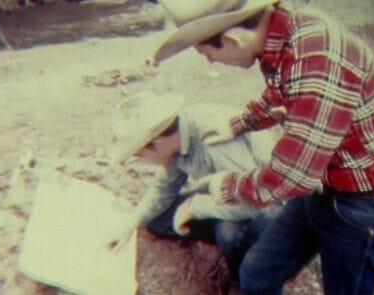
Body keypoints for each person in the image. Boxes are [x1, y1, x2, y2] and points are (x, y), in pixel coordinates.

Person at [153, 0, 374, 294]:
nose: (210, 62)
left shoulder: (318, 59)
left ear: (232, 40)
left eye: (208, 54)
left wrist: (228, 185)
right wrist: (240, 123)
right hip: (320, 183)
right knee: (258, 271)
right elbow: (281, 92)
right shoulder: (283, 35)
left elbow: (292, 176)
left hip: (360, 199)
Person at [108, 90, 282, 281]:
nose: (143, 162)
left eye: (140, 156)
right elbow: (164, 186)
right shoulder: (174, 136)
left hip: (270, 206)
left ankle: (247, 278)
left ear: (157, 143)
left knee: (228, 233)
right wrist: (133, 220)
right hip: (226, 190)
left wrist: (195, 207)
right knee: (157, 220)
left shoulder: (212, 139)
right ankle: (229, 234)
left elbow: (255, 203)